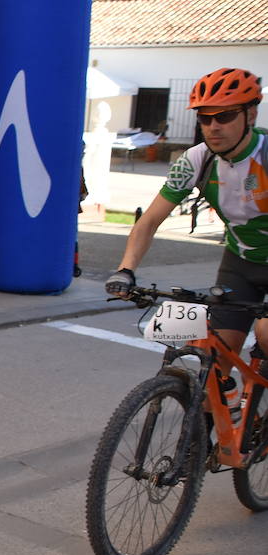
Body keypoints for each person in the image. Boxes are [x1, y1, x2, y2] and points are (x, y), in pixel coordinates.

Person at [107, 67, 267, 358]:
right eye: (205, 118)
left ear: (251, 116)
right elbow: (150, 220)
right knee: (216, 355)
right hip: (239, 262)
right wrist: (126, 269)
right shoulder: (195, 160)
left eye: (224, 116)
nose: (213, 126)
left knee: (266, 333)